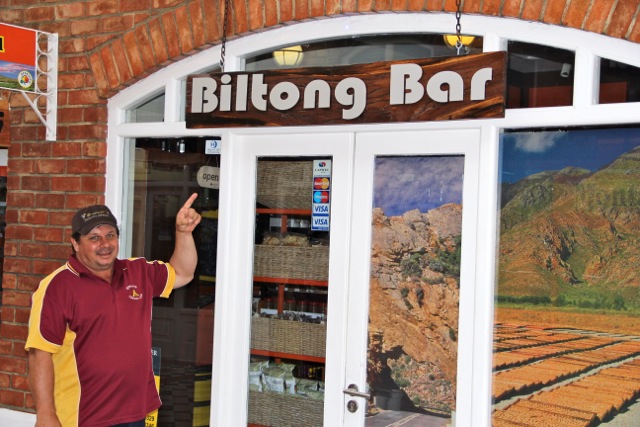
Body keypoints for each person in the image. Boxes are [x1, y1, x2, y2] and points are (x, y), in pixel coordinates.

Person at [25, 193, 202, 427]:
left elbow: (183, 273)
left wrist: (184, 233)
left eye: (110, 235)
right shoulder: (57, 287)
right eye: (94, 238)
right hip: (84, 417)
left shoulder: (138, 272)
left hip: (135, 411)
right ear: (75, 243)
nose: (105, 244)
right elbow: (40, 353)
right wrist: (46, 414)